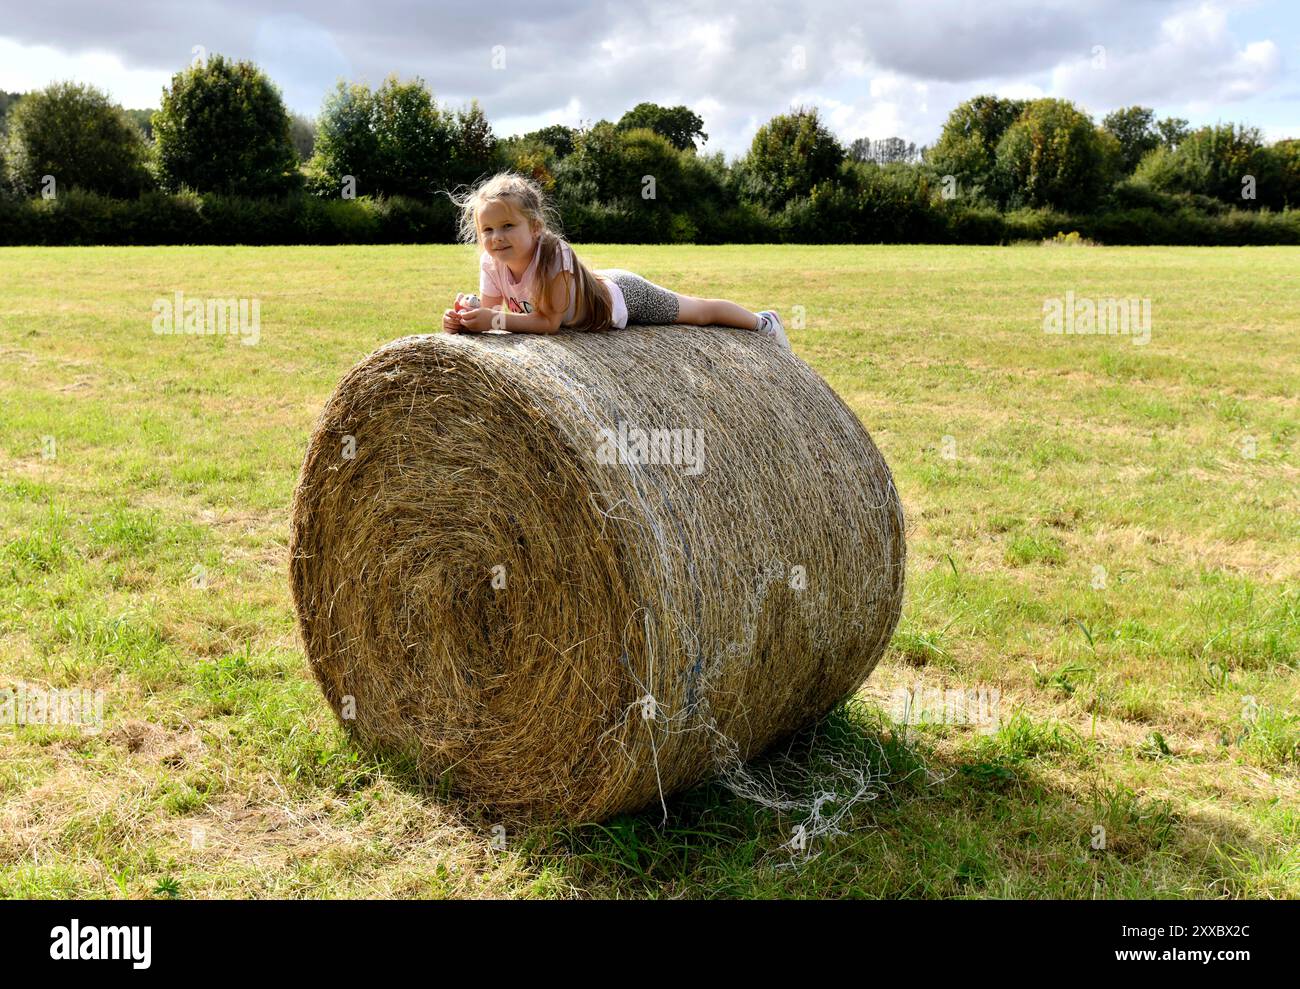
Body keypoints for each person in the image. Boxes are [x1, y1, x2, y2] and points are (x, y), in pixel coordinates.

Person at [441, 172, 790, 350]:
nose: (496, 238)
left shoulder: (552, 255)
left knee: (700, 312)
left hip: (622, 296)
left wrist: (493, 318)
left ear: (534, 227)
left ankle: (764, 323)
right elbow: (491, 318)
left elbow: (549, 323)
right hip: (588, 285)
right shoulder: (492, 263)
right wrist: (468, 321)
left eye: (507, 226)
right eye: (487, 230)